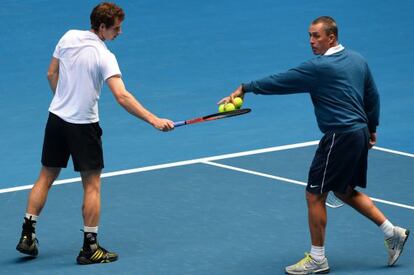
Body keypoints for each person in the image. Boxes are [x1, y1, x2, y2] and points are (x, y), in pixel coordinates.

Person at [219, 16, 409, 274]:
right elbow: (372, 95)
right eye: (309, 35)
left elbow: (281, 81)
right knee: (342, 189)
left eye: (316, 36)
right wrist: (372, 128)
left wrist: (245, 87)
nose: (311, 41)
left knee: (314, 194)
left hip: (339, 136)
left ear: (331, 37)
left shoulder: (319, 67)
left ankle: (318, 258)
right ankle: (392, 232)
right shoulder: (357, 59)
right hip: (358, 133)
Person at [16, 2, 174, 265]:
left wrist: (63, 100)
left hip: (56, 119)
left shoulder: (68, 36)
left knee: (45, 176)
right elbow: (122, 96)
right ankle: (90, 248)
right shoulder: (105, 56)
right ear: (102, 27)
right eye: (116, 28)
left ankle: (27, 235)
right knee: (92, 186)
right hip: (83, 127)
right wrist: (154, 120)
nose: (119, 33)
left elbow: (50, 73)